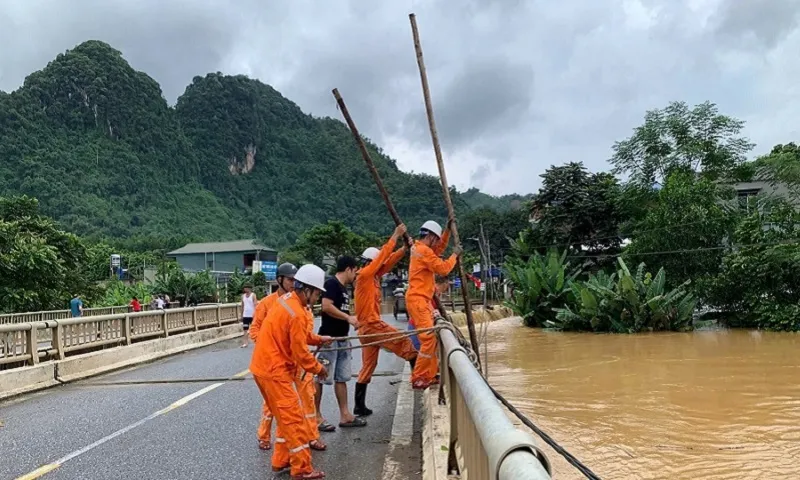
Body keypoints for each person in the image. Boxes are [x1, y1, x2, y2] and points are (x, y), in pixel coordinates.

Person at [249, 264, 332, 479]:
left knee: (284, 418)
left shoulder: (287, 302)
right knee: (294, 420)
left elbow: (300, 335)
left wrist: (318, 339)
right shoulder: (296, 311)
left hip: (264, 369)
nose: (316, 299)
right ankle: (302, 468)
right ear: (307, 289)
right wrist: (319, 368)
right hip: (274, 371)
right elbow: (301, 353)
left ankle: (281, 461)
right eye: (316, 293)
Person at [353, 224, 417, 416]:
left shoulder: (373, 276)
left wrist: (404, 250)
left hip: (367, 330)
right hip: (371, 327)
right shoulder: (364, 275)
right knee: (406, 343)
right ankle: (419, 379)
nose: (380, 267)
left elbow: (386, 262)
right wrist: (395, 235)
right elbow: (382, 258)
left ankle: (359, 405)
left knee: (369, 366)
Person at [248, 263, 300, 451]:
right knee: (272, 403)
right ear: (280, 280)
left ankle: (297, 438)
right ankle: (264, 435)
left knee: (291, 402)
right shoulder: (266, 303)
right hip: (271, 363)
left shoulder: (296, 301)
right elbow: (254, 329)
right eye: (290, 279)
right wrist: (268, 346)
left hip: (290, 360)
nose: (293, 283)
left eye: (295, 280)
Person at [407, 219, 461, 390]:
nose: (438, 243)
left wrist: (447, 232)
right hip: (419, 300)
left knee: (431, 339)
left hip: (420, 299)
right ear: (430, 236)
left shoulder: (420, 249)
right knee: (428, 339)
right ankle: (419, 377)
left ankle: (428, 375)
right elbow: (444, 269)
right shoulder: (423, 251)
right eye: (436, 239)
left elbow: (439, 248)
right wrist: (455, 255)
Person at [315, 256, 365, 431]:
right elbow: (326, 306)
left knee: (342, 378)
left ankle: (345, 415)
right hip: (329, 340)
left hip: (343, 339)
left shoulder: (344, 289)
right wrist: (348, 318)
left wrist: (352, 321)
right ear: (349, 269)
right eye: (355, 271)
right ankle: (316, 416)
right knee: (320, 377)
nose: (356, 275)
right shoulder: (331, 284)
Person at [408, 275, 450, 351]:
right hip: (418, 325)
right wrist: (432, 310)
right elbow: (425, 303)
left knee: (424, 352)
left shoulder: (436, 293)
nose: (446, 288)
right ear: (444, 284)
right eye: (447, 285)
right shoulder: (429, 290)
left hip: (423, 325)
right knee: (418, 352)